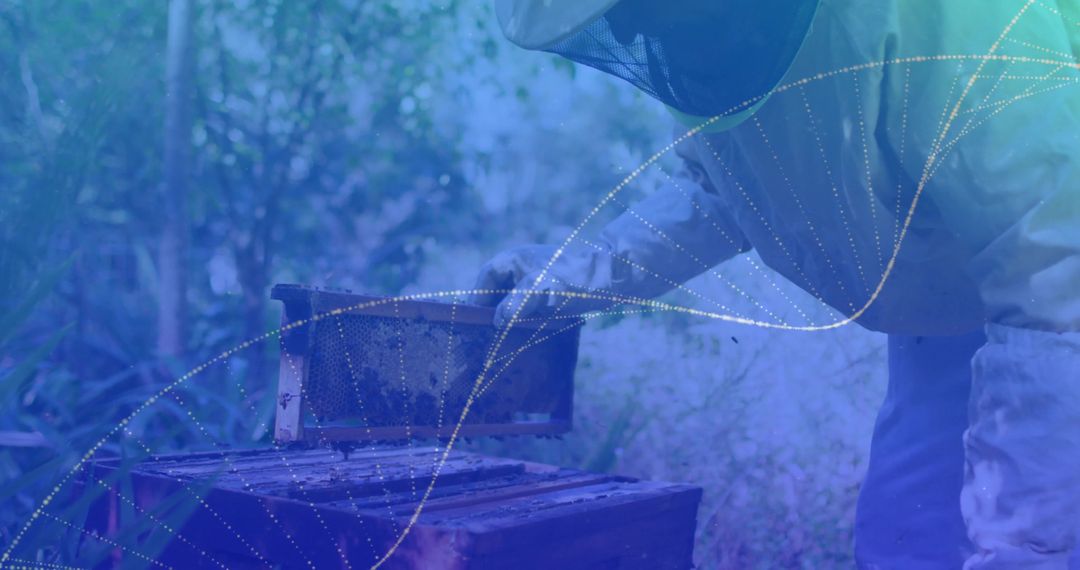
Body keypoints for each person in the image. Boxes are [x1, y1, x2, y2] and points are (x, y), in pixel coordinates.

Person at [472, 1, 1080, 568]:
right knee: (906, 538)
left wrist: (1029, 544)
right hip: (962, 293)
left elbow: (1056, 283)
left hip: (1054, 291)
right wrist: (577, 275)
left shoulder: (965, 29)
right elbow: (729, 188)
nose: (632, 35)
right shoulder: (719, 44)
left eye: (641, 7)